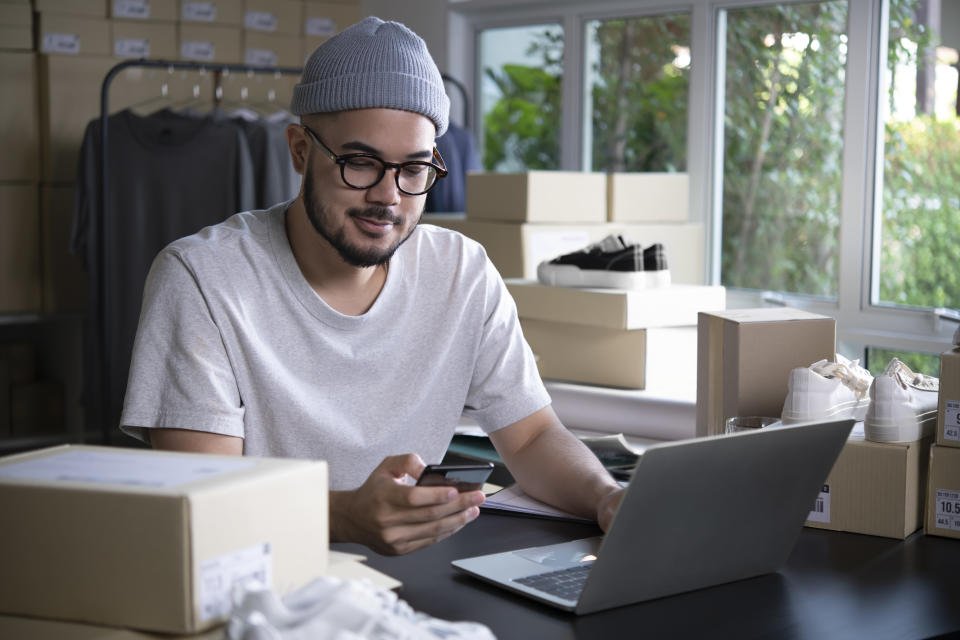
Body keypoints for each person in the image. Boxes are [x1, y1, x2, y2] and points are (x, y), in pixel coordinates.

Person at [120, 16, 624, 556]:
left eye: (413, 169)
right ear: (299, 150)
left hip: (413, 585)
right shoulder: (203, 278)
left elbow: (531, 438)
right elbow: (203, 493)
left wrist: (608, 499)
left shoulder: (462, 271)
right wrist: (345, 516)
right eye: (360, 163)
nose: (388, 196)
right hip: (261, 585)